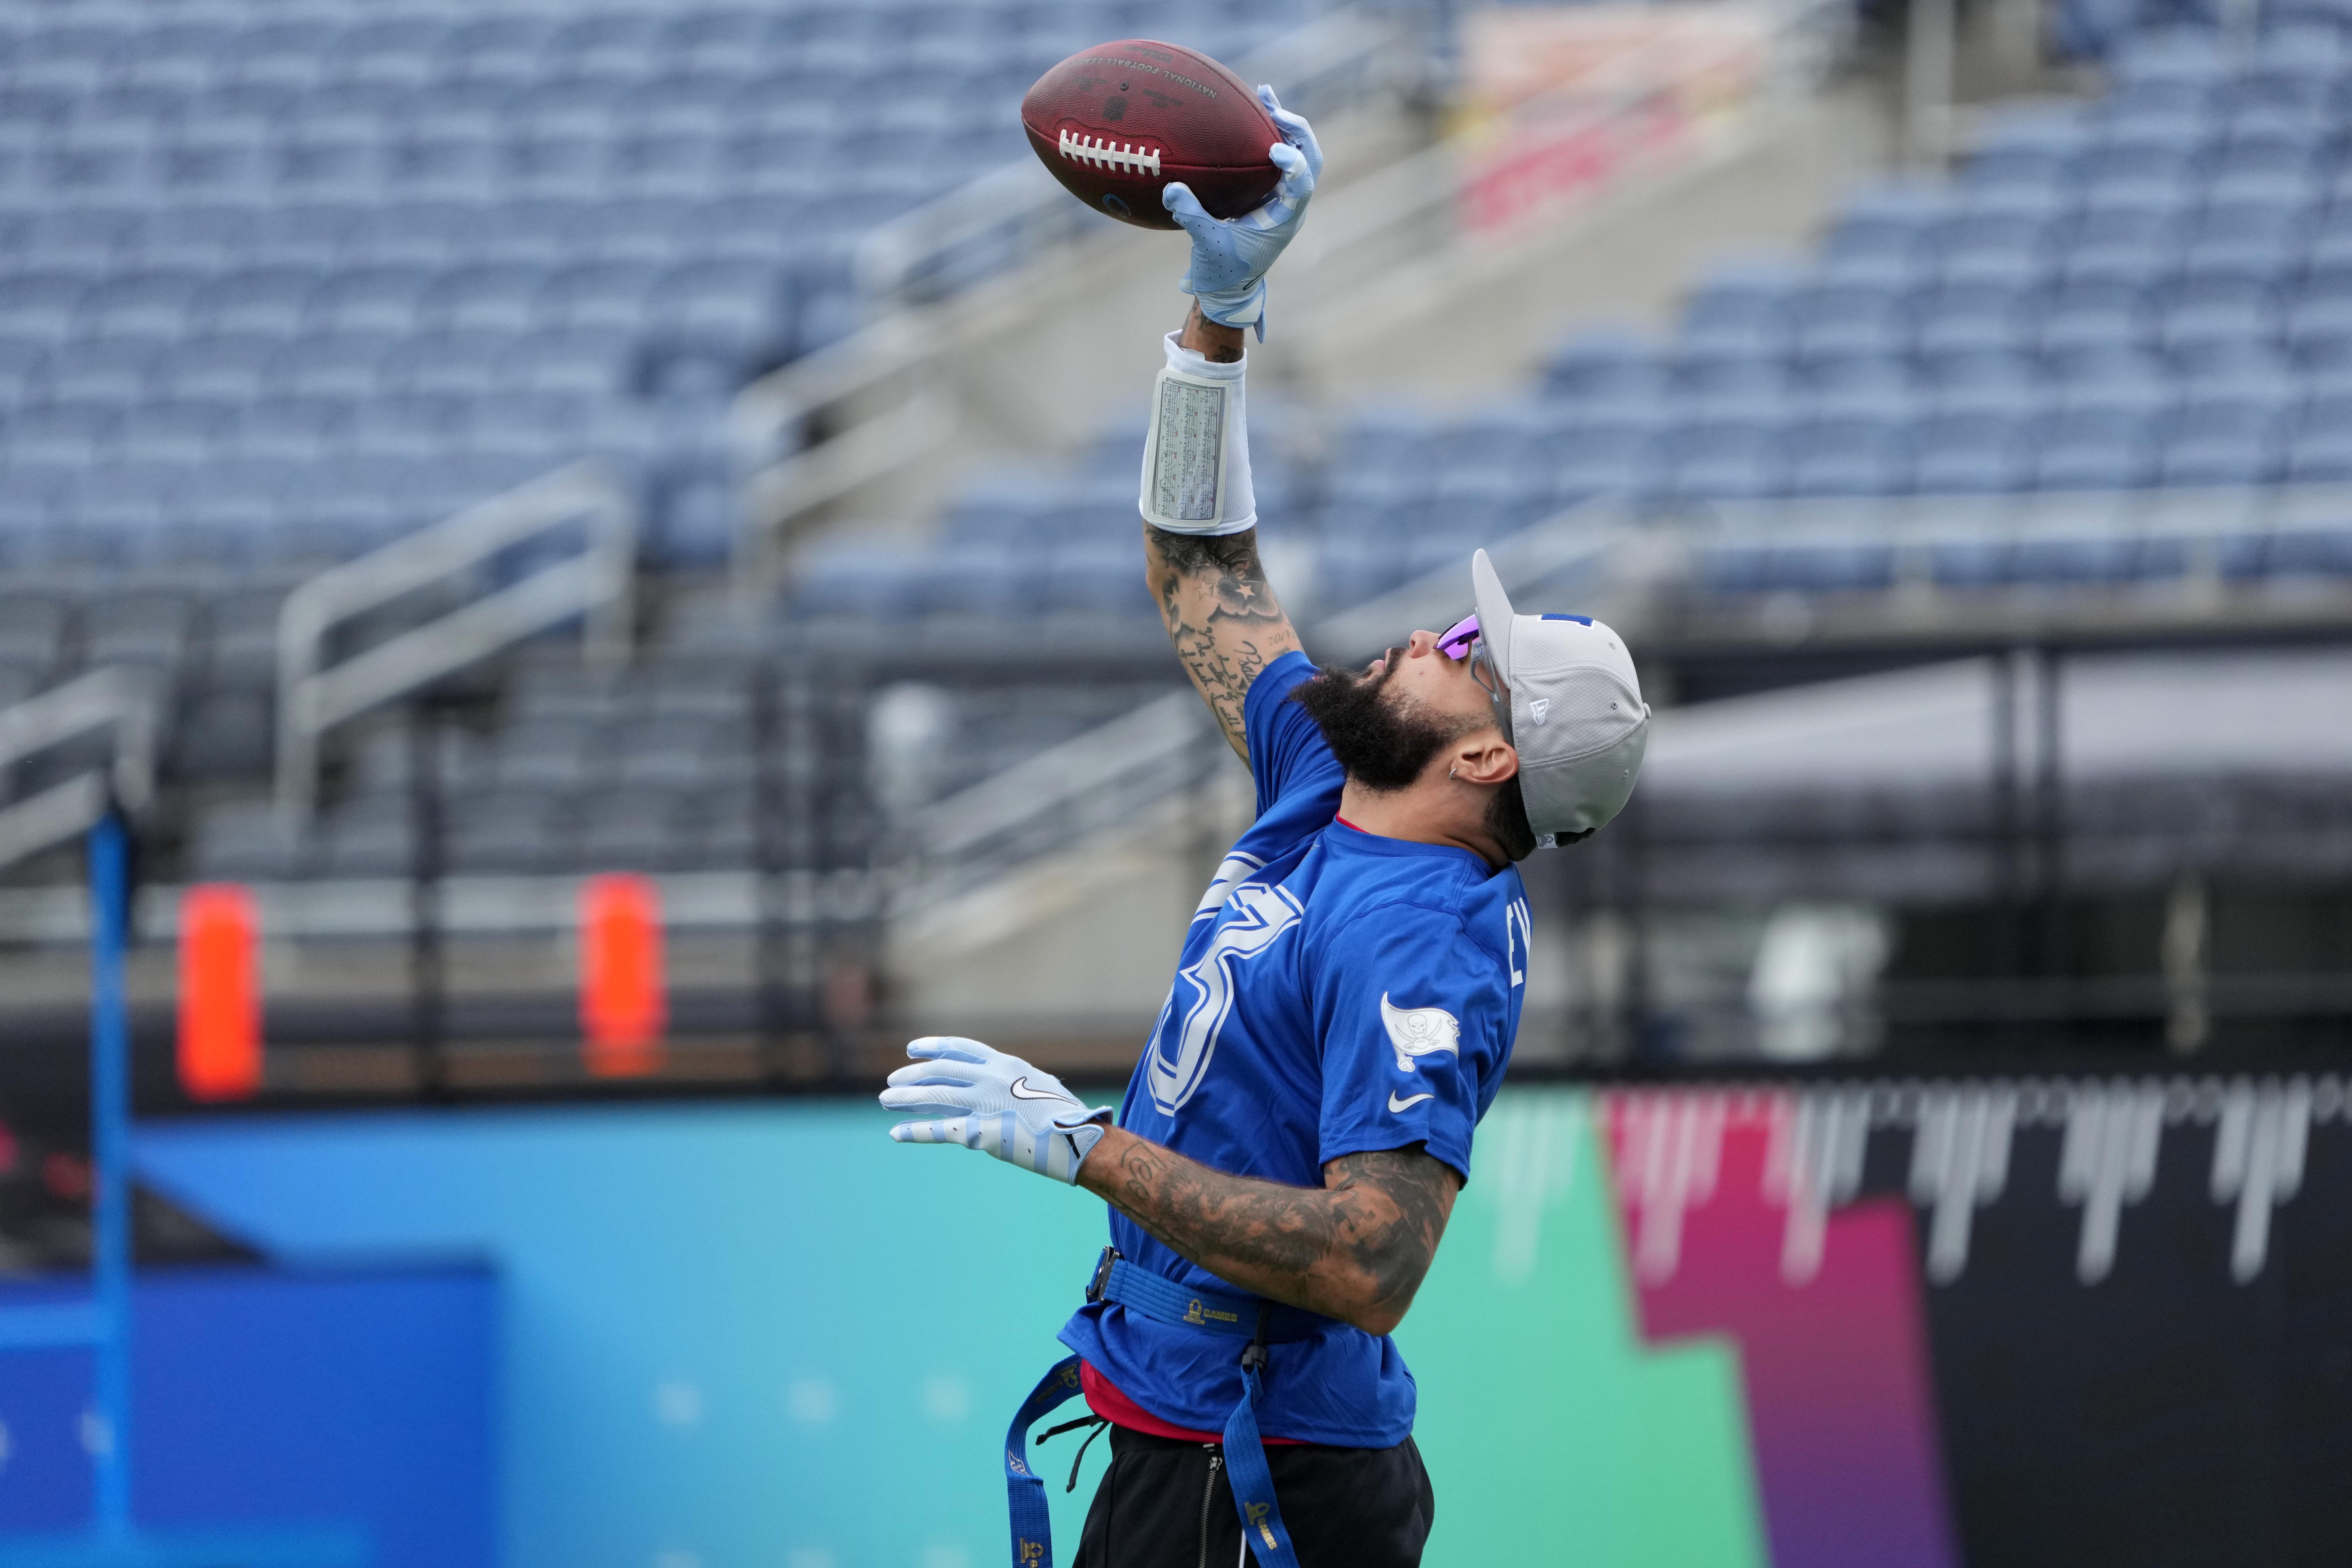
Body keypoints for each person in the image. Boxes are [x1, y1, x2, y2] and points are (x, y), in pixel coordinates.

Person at [878, 89, 1650, 1568]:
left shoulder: (1422, 939)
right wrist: (1220, 315)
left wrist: (1089, 1151)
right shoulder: (1330, 778)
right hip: (1186, 1425)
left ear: (1488, 753)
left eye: (1464, 652)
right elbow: (1199, 562)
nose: (1426, 636)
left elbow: (1374, 1263)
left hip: (1267, 1475)